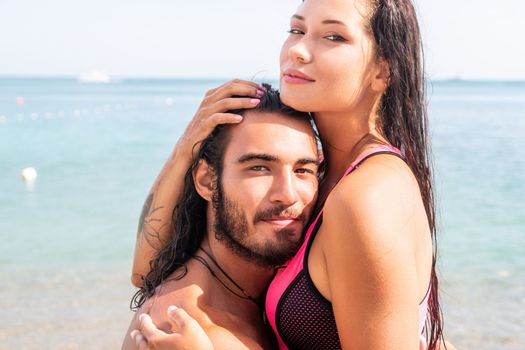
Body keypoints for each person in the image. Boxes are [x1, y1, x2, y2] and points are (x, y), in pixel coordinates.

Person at [130, 0, 447, 348]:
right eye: (296, 30)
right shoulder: (322, 176)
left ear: (383, 70)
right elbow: (146, 272)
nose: (297, 50)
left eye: (333, 37)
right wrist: (188, 145)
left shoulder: (367, 196)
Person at [123, 86, 321, 349]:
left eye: (303, 170)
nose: (288, 195)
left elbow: (143, 274)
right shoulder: (183, 330)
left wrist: (185, 148)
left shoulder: (260, 290)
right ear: (206, 180)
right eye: (259, 168)